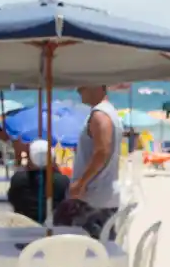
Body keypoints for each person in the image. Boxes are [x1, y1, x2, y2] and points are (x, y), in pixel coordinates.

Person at [52, 84, 122, 237]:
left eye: (83, 86)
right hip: (103, 195)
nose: (78, 90)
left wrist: (81, 183)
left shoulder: (100, 114)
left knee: (81, 246)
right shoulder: (110, 113)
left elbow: (103, 151)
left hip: (94, 197)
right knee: (101, 248)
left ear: (97, 85)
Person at [8, 139, 70, 224]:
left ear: (30, 158)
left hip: (22, 227)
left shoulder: (17, 178)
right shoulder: (63, 181)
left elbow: (12, 199)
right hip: (53, 231)